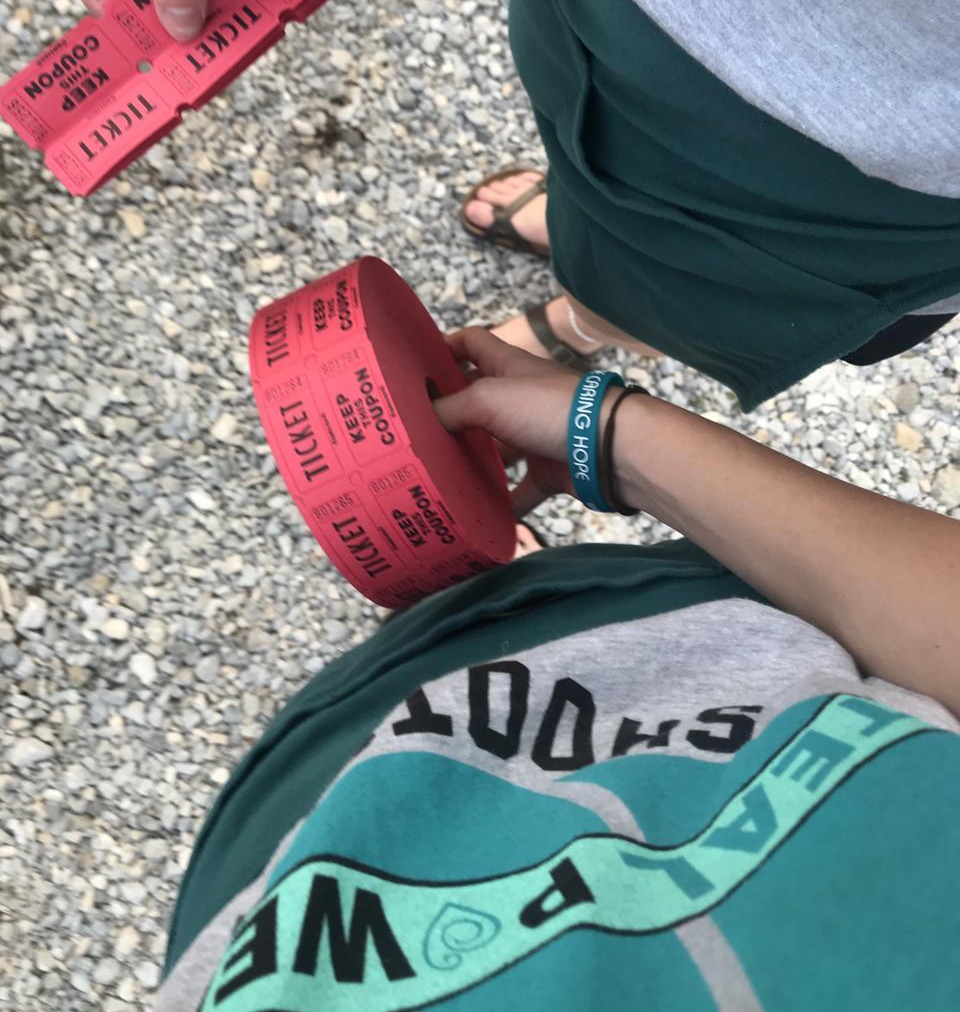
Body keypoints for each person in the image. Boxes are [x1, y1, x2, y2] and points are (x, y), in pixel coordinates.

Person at [55, 0, 960, 410]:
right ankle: (586, 230)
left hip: (859, 152)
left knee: (693, 291)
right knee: (574, 120)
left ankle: (590, 322)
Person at [157, 329, 960, 1010]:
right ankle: (479, 593)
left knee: (455, 601)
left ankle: (460, 598)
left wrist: (612, 434)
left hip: (307, 808)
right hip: (726, 620)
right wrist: (607, 436)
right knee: (479, 594)